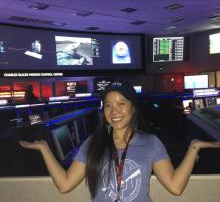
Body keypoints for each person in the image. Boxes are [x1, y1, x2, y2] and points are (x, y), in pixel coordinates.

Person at [19, 81, 220, 202]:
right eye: (108, 105)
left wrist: (194, 147)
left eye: (121, 104)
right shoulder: (92, 143)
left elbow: (175, 187)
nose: (114, 111)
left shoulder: (151, 142)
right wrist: (45, 149)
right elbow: (65, 185)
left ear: (133, 108)